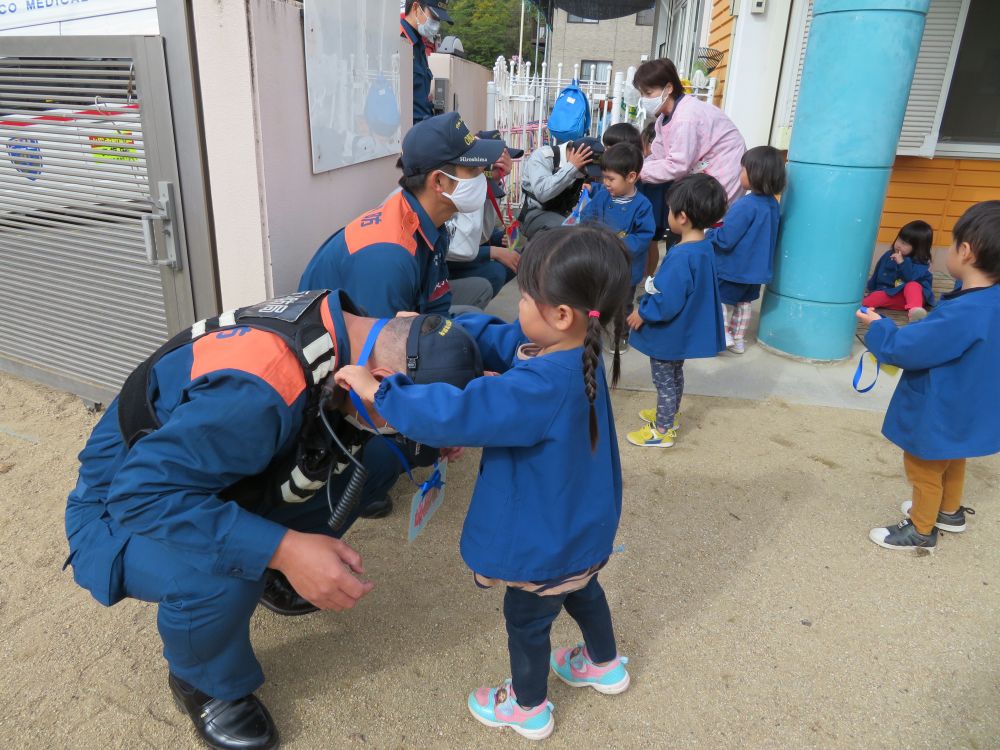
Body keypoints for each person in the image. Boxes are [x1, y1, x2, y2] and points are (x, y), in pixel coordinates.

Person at [64, 289, 484, 750]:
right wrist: (284, 549)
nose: (410, 428)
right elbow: (141, 496)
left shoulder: (353, 330)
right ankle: (202, 681)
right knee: (222, 573)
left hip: (203, 467)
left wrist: (426, 435)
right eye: (410, 418)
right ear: (380, 377)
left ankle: (267, 566)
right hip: (120, 504)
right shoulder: (260, 390)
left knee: (374, 459)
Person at [335, 224, 633, 741]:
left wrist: (383, 393)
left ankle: (528, 706)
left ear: (560, 315)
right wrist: (432, 326)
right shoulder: (579, 351)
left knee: (527, 619)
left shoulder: (537, 387)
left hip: (546, 542)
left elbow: (460, 412)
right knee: (584, 590)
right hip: (583, 529)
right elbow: (507, 341)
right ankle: (604, 664)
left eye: (527, 297)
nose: (519, 305)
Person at [299, 113, 501, 519]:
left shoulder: (427, 220)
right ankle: (358, 491)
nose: (486, 174)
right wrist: (435, 424)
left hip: (379, 342)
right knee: (403, 442)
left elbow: (436, 314)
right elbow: (375, 369)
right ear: (439, 182)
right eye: (472, 168)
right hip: (330, 385)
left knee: (467, 336)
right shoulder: (388, 257)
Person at [858, 201, 1000, 552]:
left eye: (951, 244)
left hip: (942, 405)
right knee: (953, 455)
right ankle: (949, 513)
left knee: (924, 465)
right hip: (971, 404)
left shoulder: (965, 312)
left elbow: (908, 348)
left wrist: (880, 328)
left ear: (965, 251)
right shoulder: (990, 301)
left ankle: (921, 529)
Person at [626, 174, 728, 448]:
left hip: (670, 332)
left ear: (682, 217)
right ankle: (669, 414)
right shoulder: (703, 247)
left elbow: (666, 299)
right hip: (684, 330)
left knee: (663, 380)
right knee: (674, 375)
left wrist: (642, 313)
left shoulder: (682, 255)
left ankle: (662, 429)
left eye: (670, 210)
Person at [706, 145, 785, 354]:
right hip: (756, 271)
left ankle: (723, 333)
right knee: (744, 303)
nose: (739, 173)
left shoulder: (745, 205)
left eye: (742, 170)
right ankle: (738, 339)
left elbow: (726, 238)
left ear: (755, 174)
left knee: (720, 299)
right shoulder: (773, 205)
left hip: (733, 267)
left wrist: (709, 234)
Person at [635, 58, 746, 205]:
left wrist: (638, 172)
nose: (644, 99)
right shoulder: (664, 118)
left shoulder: (686, 117)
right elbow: (659, 155)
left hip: (723, 170)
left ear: (668, 88)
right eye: (641, 93)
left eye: (648, 93)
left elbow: (677, 165)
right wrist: (636, 166)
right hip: (703, 171)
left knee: (706, 218)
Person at [581, 142, 655, 351]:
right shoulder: (604, 196)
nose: (605, 183)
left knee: (623, 304)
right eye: (604, 177)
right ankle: (592, 331)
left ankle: (620, 335)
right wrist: (591, 233)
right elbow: (588, 215)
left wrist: (615, 242)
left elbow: (643, 236)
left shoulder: (642, 205)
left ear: (631, 177)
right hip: (600, 262)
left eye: (611, 179)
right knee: (596, 299)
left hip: (626, 267)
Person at [446, 132, 522, 299]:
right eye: (497, 164)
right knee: (496, 271)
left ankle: (476, 297)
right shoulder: (463, 189)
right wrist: (492, 252)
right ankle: (468, 301)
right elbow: (459, 246)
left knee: (514, 248)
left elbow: (484, 229)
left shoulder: (491, 184)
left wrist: (494, 180)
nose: (505, 168)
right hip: (450, 258)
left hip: (468, 244)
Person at [519, 135, 604, 238]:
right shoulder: (542, 156)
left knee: (587, 232)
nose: (585, 174)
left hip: (561, 214)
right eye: (584, 169)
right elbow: (542, 193)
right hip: (534, 213)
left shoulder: (579, 169)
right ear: (573, 154)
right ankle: (531, 251)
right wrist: (572, 167)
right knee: (567, 232)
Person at [863, 220, 935, 322]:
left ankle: (915, 313)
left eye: (904, 243)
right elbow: (878, 272)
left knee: (913, 285)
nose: (899, 245)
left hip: (914, 299)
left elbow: (911, 278)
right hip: (896, 297)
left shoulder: (920, 263)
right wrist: (870, 288)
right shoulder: (889, 255)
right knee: (877, 296)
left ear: (917, 248)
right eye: (899, 239)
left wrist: (902, 263)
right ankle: (861, 305)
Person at [400, 0, 453, 124]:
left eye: (438, 19)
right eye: (434, 17)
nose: (436, 24)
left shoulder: (419, 45)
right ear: (416, 8)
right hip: (406, 132)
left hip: (424, 127)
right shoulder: (400, 42)